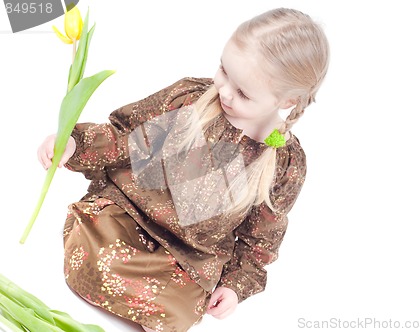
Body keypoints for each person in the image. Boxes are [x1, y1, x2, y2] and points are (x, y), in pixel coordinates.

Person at [38, 7, 329, 332]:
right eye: (223, 70)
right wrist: (75, 144)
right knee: (94, 249)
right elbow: (124, 138)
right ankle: (128, 287)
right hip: (125, 215)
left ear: (287, 101)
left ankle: (155, 307)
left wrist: (236, 285)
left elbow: (260, 237)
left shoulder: (283, 163)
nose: (225, 91)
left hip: (190, 256)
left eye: (244, 93)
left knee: (180, 308)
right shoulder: (191, 101)